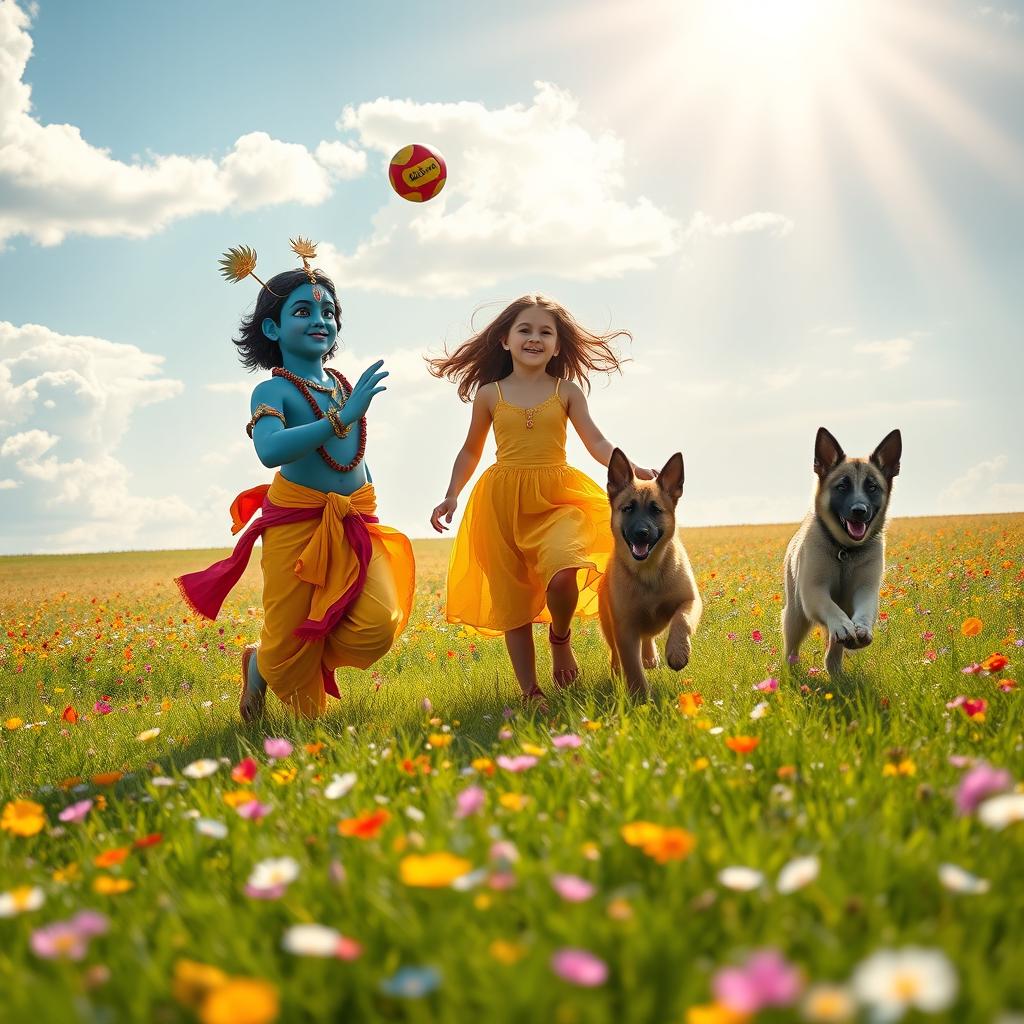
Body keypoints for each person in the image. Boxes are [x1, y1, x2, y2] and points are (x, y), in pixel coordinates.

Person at [176, 240, 414, 720]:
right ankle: (265, 667)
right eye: (303, 311)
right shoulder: (272, 390)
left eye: (328, 311)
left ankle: (279, 659)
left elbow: (354, 454)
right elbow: (269, 450)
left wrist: (366, 498)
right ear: (273, 327)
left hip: (353, 521)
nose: (319, 320)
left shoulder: (345, 386)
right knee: (289, 648)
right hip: (295, 525)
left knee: (377, 626)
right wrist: (340, 419)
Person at [428, 293, 653, 707]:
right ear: (505, 341)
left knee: (566, 569)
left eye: (545, 332)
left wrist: (632, 468)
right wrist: (451, 494)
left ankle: (560, 636)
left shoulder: (566, 391)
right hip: (502, 504)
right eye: (525, 330)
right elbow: (470, 451)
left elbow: (596, 440)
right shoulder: (489, 394)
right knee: (512, 599)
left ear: (557, 345)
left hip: (557, 497)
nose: (535, 338)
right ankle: (531, 692)